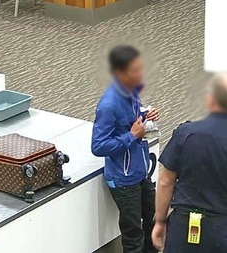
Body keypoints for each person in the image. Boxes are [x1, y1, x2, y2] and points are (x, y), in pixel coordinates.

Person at [152, 73, 227, 253]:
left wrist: (160, 221)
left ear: (210, 98)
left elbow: (165, 181)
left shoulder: (185, 134)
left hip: (183, 226)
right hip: (222, 229)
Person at [91, 45, 159, 253]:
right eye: (135, 71)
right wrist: (131, 136)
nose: (140, 75)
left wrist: (146, 115)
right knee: (133, 234)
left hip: (140, 171)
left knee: (153, 222)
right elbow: (98, 146)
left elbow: (133, 117)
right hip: (123, 179)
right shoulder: (108, 105)